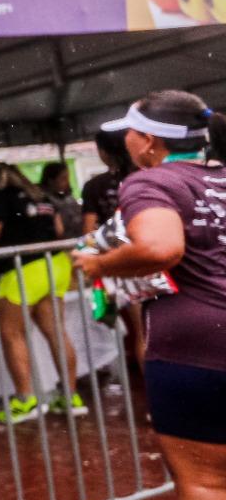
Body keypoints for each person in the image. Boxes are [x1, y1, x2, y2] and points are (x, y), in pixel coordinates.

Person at [73, 91, 226, 500]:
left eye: (131, 134)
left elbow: (161, 246)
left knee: (208, 484)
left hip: (198, 350)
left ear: (149, 141)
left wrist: (101, 263)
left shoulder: (154, 182)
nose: (128, 143)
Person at [0, 162, 83, 423]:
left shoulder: (0, 200)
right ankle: (70, 396)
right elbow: (59, 231)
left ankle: (26, 400)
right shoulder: (40, 195)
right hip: (55, 265)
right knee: (56, 331)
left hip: (23, 269)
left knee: (11, 333)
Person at [81, 129, 145, 366]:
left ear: (103, 152)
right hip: (157, 256)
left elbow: (88, 231)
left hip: (120, 264)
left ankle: (153, 396)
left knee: (141, 332)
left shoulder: (95, 186)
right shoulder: (148, 176)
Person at [40, 161, 83, 242]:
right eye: (63, 178)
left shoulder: (69, 198)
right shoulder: (46, 201)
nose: (67, 182)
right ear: (51, 181)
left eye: (68, 178)